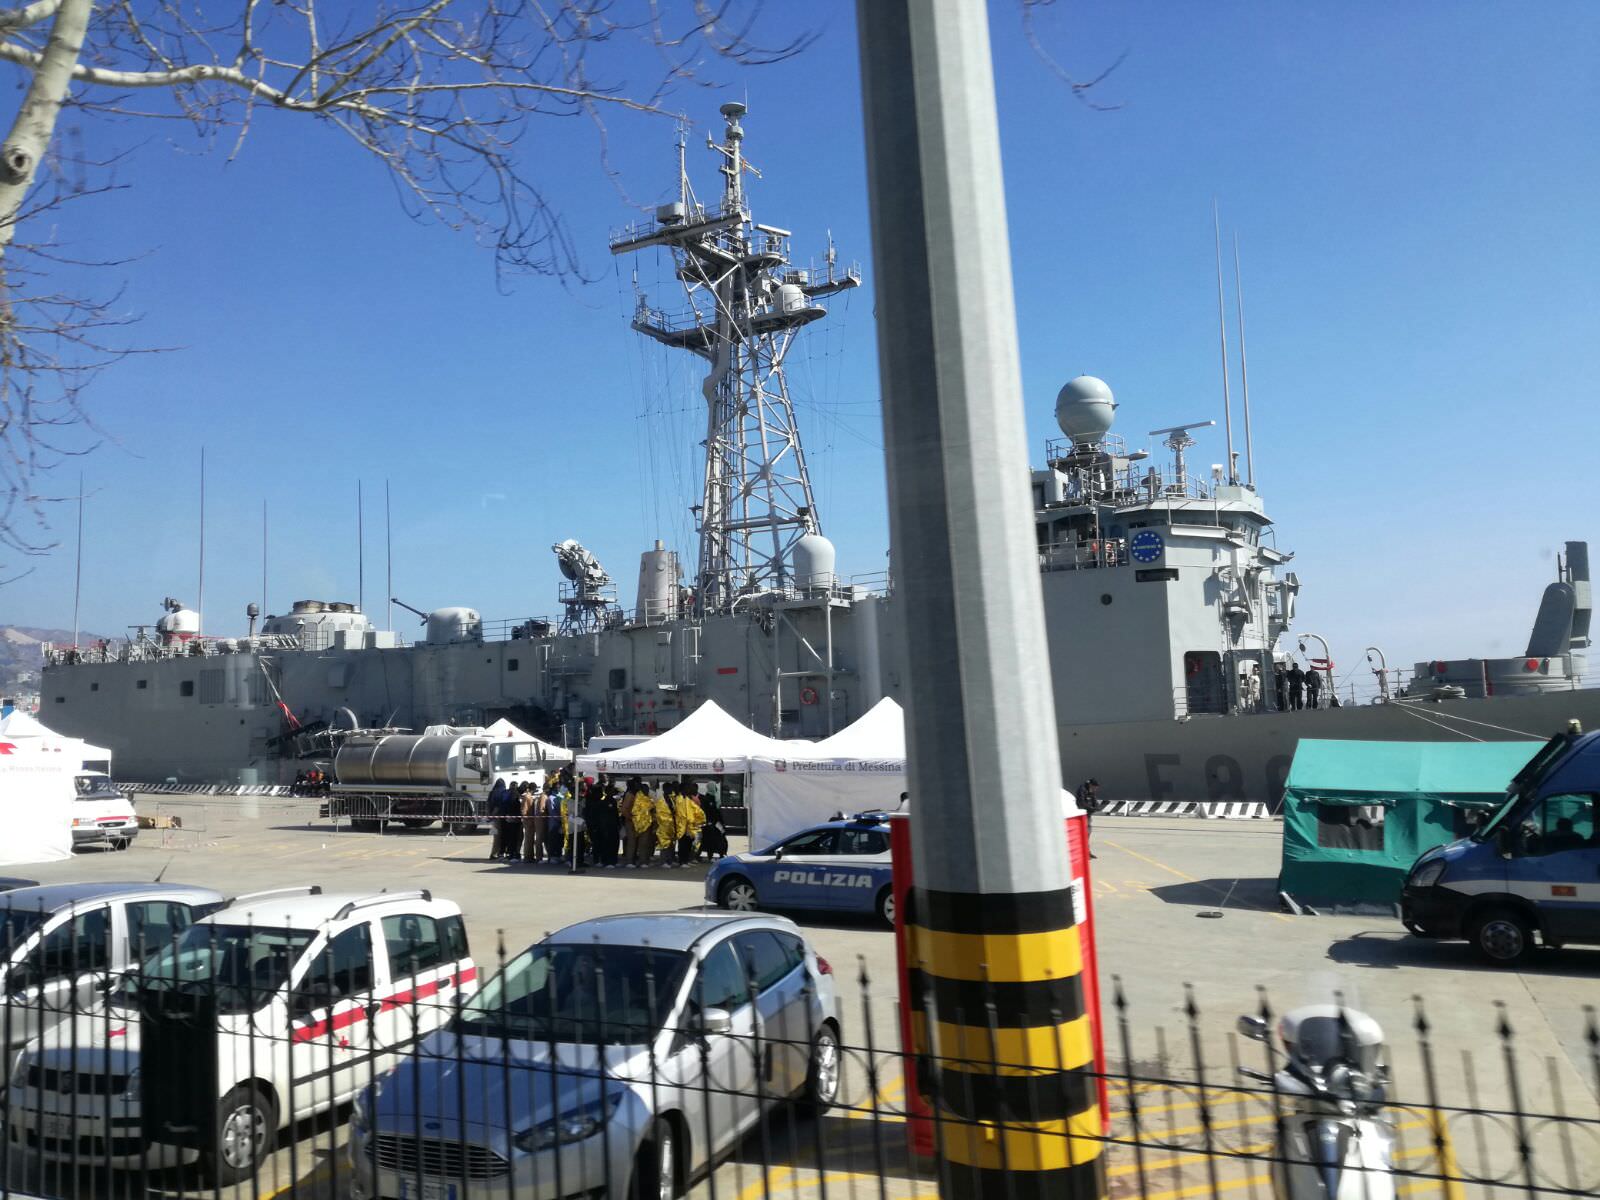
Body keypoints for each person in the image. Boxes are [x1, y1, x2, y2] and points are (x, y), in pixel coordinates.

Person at [522, 781, 550, 864]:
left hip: (532, 820)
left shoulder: (530, 796)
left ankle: (530, 856)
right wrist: (526, 819)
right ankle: (530, 857)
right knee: (531, 839)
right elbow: (524, 810)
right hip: (530, 821)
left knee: (532, 839)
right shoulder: (527, 797)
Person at [698, 787, 728, 859]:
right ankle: (716, 855)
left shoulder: (712, 797)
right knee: (713, 840)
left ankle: (717, 855)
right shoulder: (709, 798)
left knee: (714, 839)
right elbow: (711, 811)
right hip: (712, 823)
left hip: (714, 823)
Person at [676, 788, 704, 864]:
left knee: (689, 843)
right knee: (683, 844)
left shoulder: (690, 800)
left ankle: (687, 859)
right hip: (683, 826)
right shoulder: (680, 800)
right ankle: (683, 861)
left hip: (691, 825)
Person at [1076, 778, 1101, 857]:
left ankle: (1087, 852)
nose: (1095, 789)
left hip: (1088, 814)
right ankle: (1082, 852)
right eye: (1094, 787)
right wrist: (1091, 808)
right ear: (1091, 785)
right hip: (1082, 815)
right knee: (1083, 833)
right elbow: (1081, 803)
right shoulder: (1082, 789)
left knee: (1088, 833)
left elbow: (1094, 800)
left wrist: (1097, 807)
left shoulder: (1091, 790)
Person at [653, 785, 677, 867]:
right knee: (664, 843)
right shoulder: (661, 800)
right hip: (663, 825)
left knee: (671, 844)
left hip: (671, 824)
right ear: (665, 789)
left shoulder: (671, 799)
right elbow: (658, 813)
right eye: (669, 789)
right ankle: (663, 861)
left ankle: (669, 860)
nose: (671, 790)